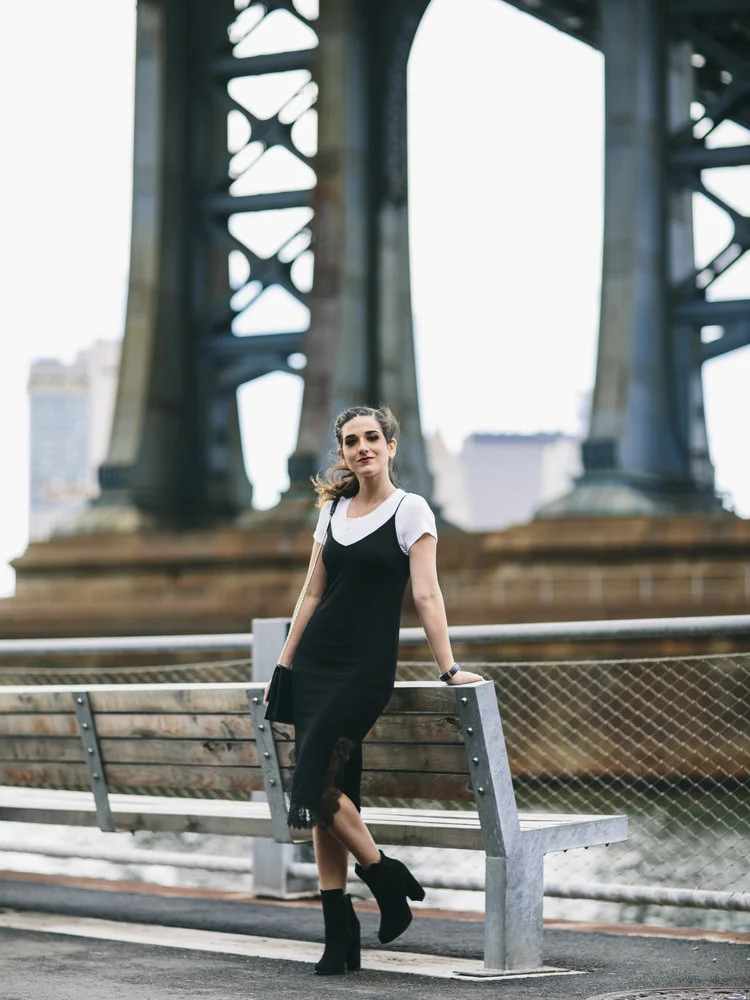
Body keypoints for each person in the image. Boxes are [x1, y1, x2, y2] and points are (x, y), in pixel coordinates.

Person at [265, 405, 483, 975]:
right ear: (341, 454)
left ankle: (385, 876)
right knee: (328, 794)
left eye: (371, 438)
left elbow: (428, 596)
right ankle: (340, 937)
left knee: (309, 785)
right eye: (350, 441)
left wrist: (449, 669)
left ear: (390, 445)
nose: (362, 448)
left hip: (363, 672)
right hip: (312, 667)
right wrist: (284, 666)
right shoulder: (333, 511)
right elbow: (311, 595)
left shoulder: (411, 510)